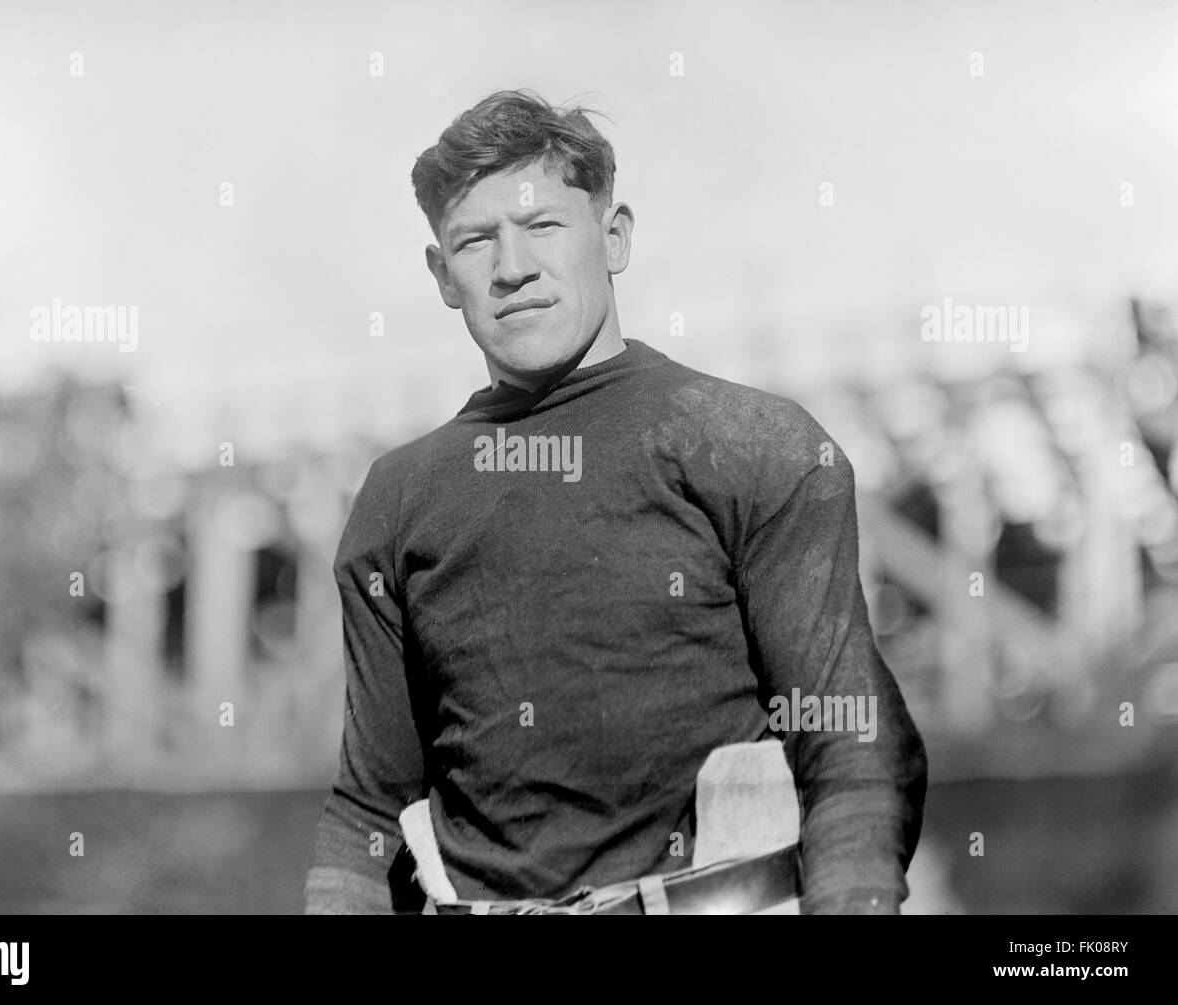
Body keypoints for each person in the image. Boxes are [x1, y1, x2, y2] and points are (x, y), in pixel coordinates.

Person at [304, 89, 927, 915]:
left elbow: (850, 745)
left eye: (543, 227)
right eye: (474, 240)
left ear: (615, 235)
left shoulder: (750, 444)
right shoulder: (397, 499)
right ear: (441, 276)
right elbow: (368, 809)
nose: (512, 267)